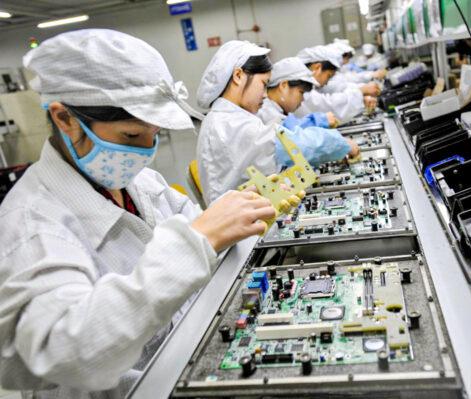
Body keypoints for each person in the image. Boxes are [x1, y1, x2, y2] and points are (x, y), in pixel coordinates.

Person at [0, 29, 277, 398]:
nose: (146, 151)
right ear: (65, 118)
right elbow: (71, 351)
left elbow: (202, 234)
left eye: (155, 134)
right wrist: (196, 242)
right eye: (131, 136)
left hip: (185, 360)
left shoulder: (141, 181)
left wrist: (235, 216)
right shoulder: (31, 225)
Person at [196, 41, 357, 204]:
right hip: (248, 224)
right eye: (263, 84)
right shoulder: (231, 125)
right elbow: (291, 145)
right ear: (238, 76)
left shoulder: (229, 118)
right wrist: (340, 143)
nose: (265, 95)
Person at [293, 45, 377, 123]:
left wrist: (360, 94)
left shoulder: (309, 84)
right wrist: (359, 92)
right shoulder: (300, 88)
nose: (326, 83)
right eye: (328, 76)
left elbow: (334, 87)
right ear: (317, 68)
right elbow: (328, 107)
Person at [321, 40, 386, 94]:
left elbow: (346, 79)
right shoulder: (326, 76)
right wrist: (362, 89)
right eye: (346, 58)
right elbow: (340, 87)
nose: (347, 62)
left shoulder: (336, 70)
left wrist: (370, 76)